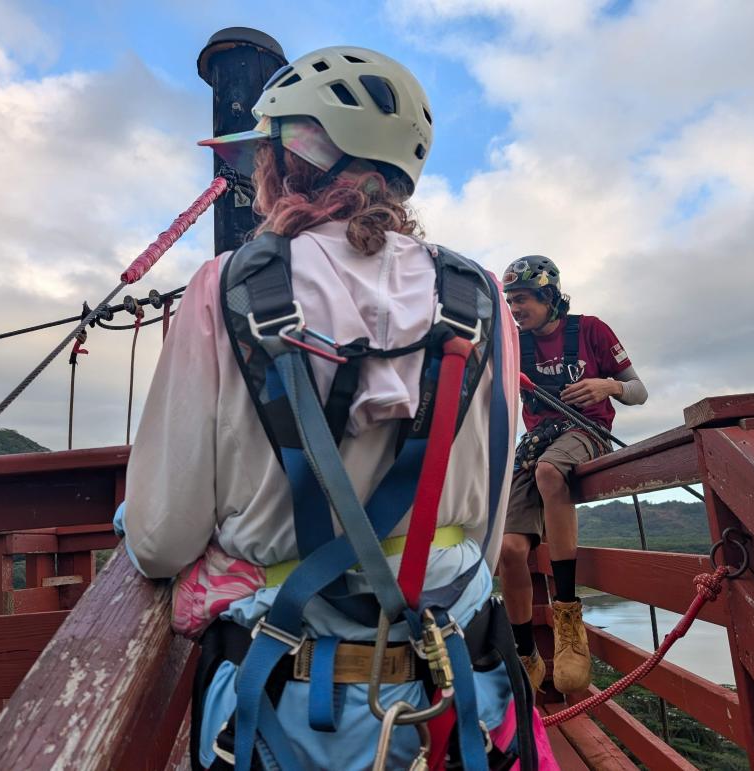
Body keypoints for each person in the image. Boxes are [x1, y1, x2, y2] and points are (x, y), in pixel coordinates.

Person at [116, 46, 558, 771]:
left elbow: (161, 540)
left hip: (290, 712)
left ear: (294, 154)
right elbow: (482, 528)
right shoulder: (480, 298)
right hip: (454, 693)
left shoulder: (223, 288)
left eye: (262, 154)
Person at [496, 256, 647, 695]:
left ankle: (567, 616)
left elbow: (638, 390)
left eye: (522, 299)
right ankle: (526, 653)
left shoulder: (591, 330)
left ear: (547, 295)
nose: (515, 308)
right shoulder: (514, 344)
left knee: (549, 472)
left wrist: (608, 387)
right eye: (510, 301)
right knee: (508, 548)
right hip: (538, 440)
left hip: (587, 432)